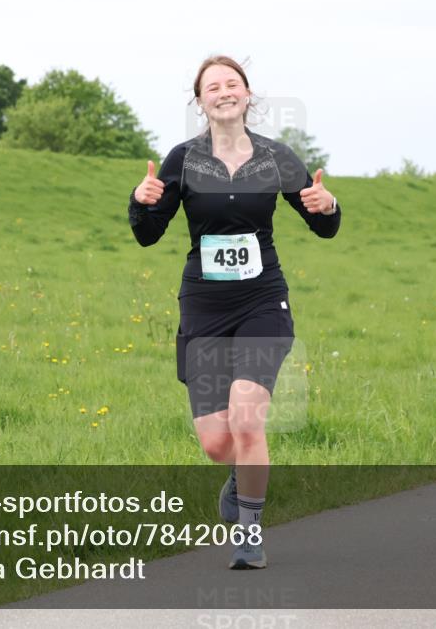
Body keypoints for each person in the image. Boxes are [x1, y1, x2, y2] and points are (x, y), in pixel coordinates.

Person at [127, 55, 341, 569]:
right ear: (200, 101)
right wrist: (141, 200)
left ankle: (249, 531)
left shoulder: (275, 158)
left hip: (262, 300)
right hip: (203, 306)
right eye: (212, 87)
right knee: (219, 443)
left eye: (232, 84)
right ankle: (238, 473)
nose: (224, 92)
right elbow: (147, 234)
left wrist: (327, 206)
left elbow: (323, 226)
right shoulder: (182, 159)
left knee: (248, 417)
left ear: (247, 94)